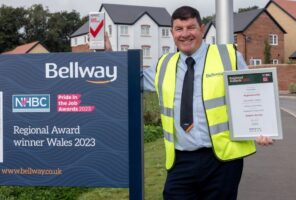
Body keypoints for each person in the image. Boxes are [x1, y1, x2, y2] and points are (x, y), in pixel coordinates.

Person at [105, 6, 273, 200]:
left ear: (201, 29)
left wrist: (262, 127)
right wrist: (110, 57)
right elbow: (131, 80)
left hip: (222, 161)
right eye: (179, 29)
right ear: (172, 33)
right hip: (181, 160)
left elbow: (251, 93)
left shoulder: (228, 56)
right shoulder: (164, 64)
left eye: (190, 27)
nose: (185, 34)